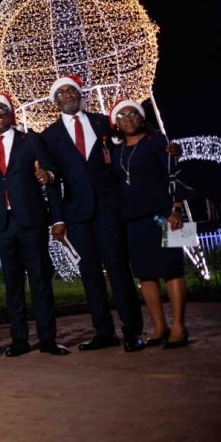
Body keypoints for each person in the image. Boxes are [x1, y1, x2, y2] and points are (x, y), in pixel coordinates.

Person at [41, 75, 145, 353]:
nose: (67, 95)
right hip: (76, 213)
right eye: (61, 93)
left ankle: (132, 330)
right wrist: (58, 218)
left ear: (80, 94)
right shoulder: (49, 136)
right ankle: (104, 332)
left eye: (71, 90)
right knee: (89, 273)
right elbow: (52, 180)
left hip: (108, 208)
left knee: (118, 268)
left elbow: (126, 151)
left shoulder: (102, 122)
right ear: (55, 101)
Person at [0, 93, 69, 357]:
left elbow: (52, 172)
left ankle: (48, 338)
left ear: (10, 113)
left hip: (31, 220)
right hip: (3, 224)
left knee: (40, 280)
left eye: (1, 110)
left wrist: (47, 175)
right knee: (12, 284)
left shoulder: (31, 140)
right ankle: (20, 340)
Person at [109, 99, 189, 349]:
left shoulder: (158, 141)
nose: (128, 119)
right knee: (145, 275)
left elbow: (174, 174)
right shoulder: (116, 151)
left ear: (142, 117)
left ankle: (179, 327)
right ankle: (160, 326)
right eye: (122, 116)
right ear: (116, 123)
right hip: (133, 219)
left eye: (133, 114)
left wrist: (176, 209)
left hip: (164, 215)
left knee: (173, 270)